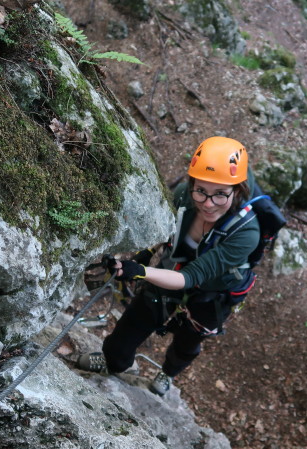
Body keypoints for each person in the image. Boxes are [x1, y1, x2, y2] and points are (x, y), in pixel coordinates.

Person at [78, 137, 260, 396]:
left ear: (238, 190)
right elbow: (168, 228)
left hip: (213, 293)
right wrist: (146, 252)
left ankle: (169, 372)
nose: (208, 203)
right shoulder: (184, 196)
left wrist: (140, 271)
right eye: (201, 191)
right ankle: (113, 361)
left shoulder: (247, 233)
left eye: (220, 194)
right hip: (172, 269)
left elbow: (191, 277)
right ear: (192, 183)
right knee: (133, 323)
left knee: (187, 341)